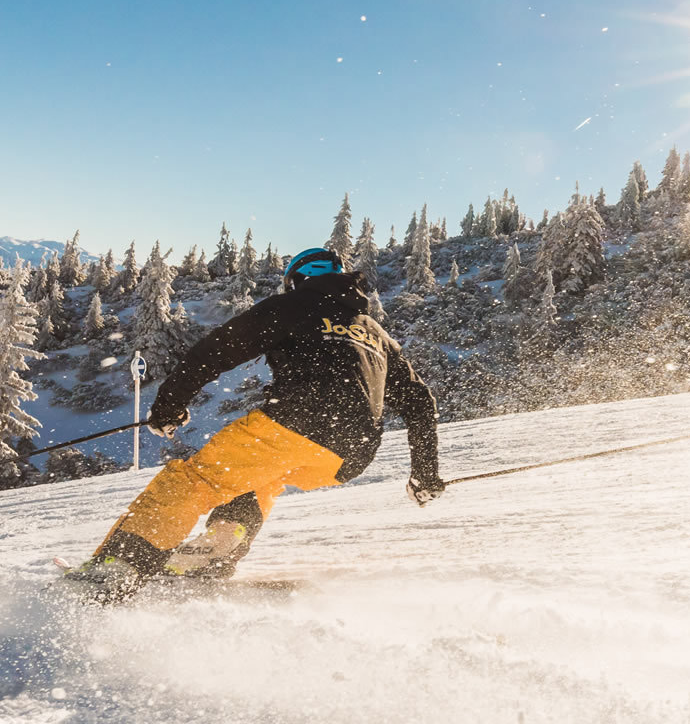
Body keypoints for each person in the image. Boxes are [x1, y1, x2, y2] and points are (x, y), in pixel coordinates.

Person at [63, 247, 443, 600]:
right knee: (259, 477)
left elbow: (212, 352)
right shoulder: (375, 333)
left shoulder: (293, 306)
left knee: (193, 481)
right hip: (350, 454)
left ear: (297, 280)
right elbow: (420, 402)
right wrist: (424, 474)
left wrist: (169, 407)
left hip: (296, 425)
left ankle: (120, 566)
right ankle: (215, 550)